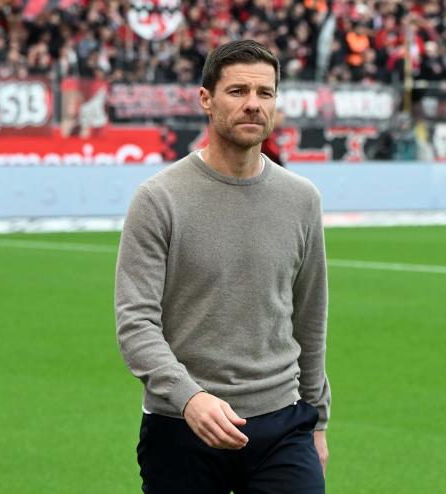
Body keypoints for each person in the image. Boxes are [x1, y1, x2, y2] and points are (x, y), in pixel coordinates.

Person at [115, 39, 330, 494]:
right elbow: (135, 324)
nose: (253, 104)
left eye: (265, 93)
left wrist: (317, 421)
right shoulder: (158, 199)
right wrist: (189, 398)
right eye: (238, 92)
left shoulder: (302, 199)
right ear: (206, 99)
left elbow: (309, 319)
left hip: (282, 427)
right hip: (182, 426)